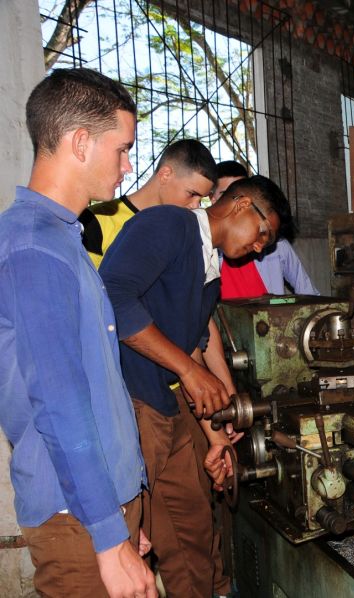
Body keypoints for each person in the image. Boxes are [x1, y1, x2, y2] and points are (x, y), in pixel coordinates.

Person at [0, 68, 157, 597]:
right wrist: (109, 534)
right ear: (81, 142)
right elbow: (60, 404)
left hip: (99, 508)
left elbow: (97, 387)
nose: (127, 166)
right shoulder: (34, 248)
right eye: (123, 148)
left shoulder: (64, 238)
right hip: (77, 519)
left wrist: (126, 518)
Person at [100, 175, 291, 597]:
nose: (261, 247)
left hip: (165, 411)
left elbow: (193, 350)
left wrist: (215, 436)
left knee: (193, 533)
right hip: (131, 406)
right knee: (123, 542)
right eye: (263, 233)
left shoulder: (211, 271)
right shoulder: (170, 224)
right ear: (241, 206)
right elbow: (111, 296)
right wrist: (187, 370)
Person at [79, 139, 234, 597]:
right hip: (124, 397)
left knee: (192, 525)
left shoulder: (190, 237)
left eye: (204, 200)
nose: (197, 207)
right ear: (165, 173)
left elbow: (198, 325)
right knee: (128, 531)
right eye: (192, 195)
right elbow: (101, 310)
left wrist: (218, 405)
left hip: (169, 393)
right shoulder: (102, 223)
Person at [80, 138, 217, 268]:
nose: (195, 205)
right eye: (192, 194)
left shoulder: (186, 232)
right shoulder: (95, 220)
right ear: (165, 175)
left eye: (201, 199)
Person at [213, 160, 318, 298]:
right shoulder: (205, 251)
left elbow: (309, 294)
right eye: (226, 195)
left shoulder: (277, 247)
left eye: (243, 194)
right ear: (213, 199)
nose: (237, 206)